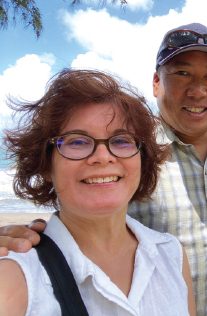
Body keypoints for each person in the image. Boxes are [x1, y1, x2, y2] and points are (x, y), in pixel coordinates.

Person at [0, 23, 207, 315]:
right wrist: (18, 240)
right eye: (182, 73)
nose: (197, 91)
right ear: (157, 82)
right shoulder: (135, 153)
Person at [0, 69, 196, 315]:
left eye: (121, 140)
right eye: (77, 141)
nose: (103, 157)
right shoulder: (15, 277)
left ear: (142, 159)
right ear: (46, 165)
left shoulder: (172, 254)